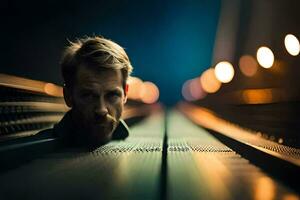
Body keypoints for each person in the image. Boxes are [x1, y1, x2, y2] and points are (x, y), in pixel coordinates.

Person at [40, 36, 133, 149]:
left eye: (112, 95)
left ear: (126, 94)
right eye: (88, 96)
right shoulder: (36, 151)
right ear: (68, 96)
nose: (101, 110)